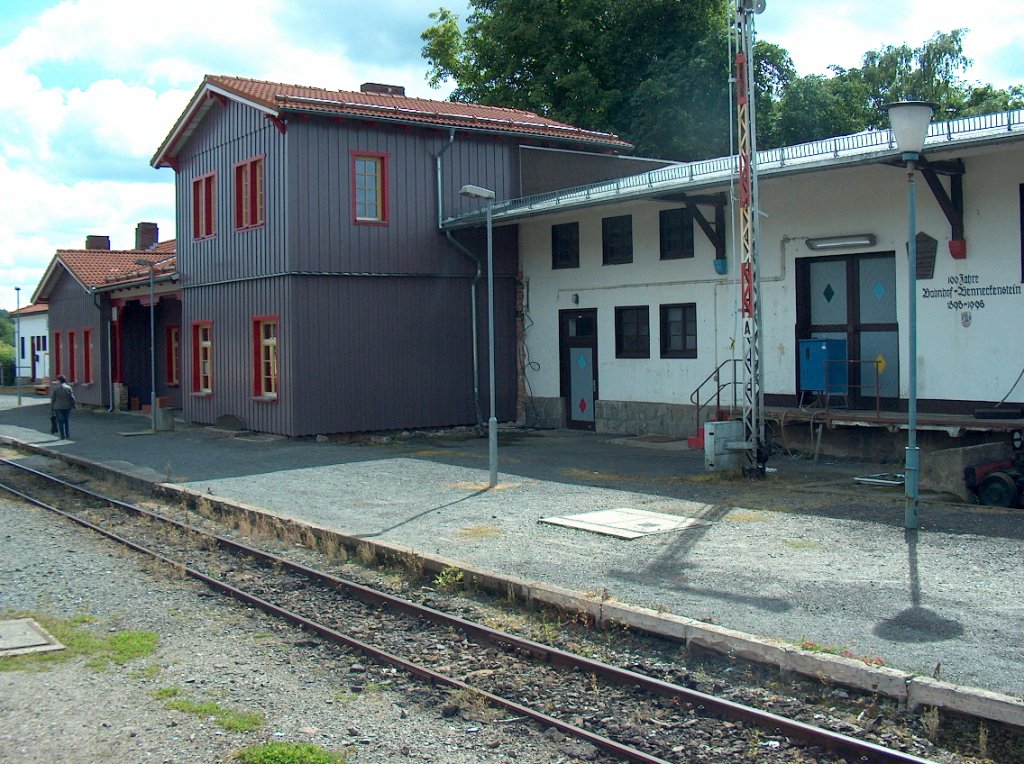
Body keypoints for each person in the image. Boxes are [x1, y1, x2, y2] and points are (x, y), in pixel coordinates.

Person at [50, 374, 76, 439]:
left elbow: (53, 398)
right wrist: (74, 405)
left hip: (58, 407)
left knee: (60, 421)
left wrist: (52, 407)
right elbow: (72, 398)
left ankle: (62, 435)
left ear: (59, 380)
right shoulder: (69, 388)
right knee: (66, 420)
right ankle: (67, 433)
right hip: (67, 406)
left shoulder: (55, 388)